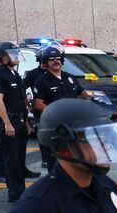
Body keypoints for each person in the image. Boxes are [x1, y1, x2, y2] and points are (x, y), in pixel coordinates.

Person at [0, 42, 38, 202]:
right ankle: (16, 194)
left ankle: (20, 189)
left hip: (20, 120)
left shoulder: (14, 74)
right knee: (12, 159)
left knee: (19, 158)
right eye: (12, 54)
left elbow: (21, 99)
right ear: (2, 57)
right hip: (8, 120)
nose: (16, 57)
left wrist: (27, 122)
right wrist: (7, 123)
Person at [32, 43, 87, 171]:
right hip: (55, 125)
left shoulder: (70, 77)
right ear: (46, 62)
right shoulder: (42, 80)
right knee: (56, 155)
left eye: (58, 58)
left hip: (73, 123)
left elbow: (83, 94)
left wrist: (86, 106)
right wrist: (56, 114)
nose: (55, 61)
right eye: (51, 59)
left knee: (74, 152)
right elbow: (38, 103)